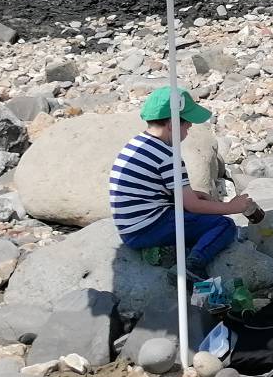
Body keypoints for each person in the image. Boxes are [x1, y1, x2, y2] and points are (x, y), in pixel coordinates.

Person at [108, 86, 264, 275]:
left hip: (131, 225)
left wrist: (192, 197)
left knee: (198, 214)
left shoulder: (137, 144)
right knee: (223, 225)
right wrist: (232, 207)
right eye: (187, 122)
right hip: (146, 228)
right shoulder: (168, 156)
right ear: (173, 125)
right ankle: (193, 266)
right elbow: (193, 206)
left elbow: (154, 190)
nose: (190, 126)